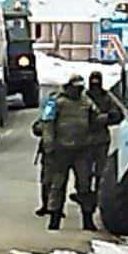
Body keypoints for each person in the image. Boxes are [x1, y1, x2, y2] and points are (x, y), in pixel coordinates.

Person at [32, 74, 101, 231]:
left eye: (80, 88)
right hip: (60, 150)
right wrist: (49, 145)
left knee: (84, 186)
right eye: (75, 88)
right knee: (57, 184)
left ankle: (87, 219)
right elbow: (46, 124)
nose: (78, 91)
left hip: (82, 150)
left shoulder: (86, 102)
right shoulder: (55, 102)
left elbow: (95, 120)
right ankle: (54, 218)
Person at [84, 70, 127, 205]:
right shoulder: (84, 97)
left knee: (101, 171)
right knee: (85, 171)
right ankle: (85, 195)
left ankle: (98, 195)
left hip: (101, 138)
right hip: (85, 138)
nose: (95, 84)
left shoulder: (107, 96)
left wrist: (112, 117)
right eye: (93, 80)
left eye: (97, 80)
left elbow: (118, 113)